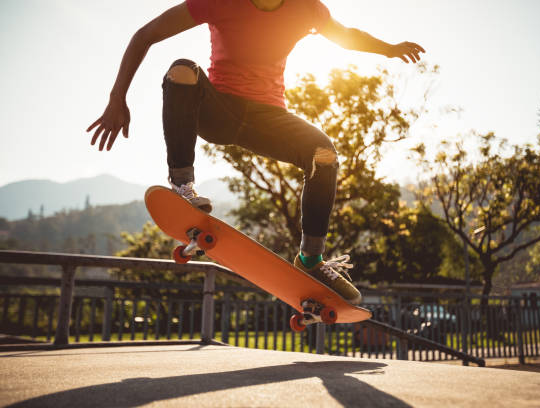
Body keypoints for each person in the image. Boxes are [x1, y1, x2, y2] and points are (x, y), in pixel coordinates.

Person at [87, 0, 425, 305]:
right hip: (220, 111)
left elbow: (345, 35)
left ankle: (311, 259)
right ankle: (182, 187)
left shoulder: (307, 8)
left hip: (269, 119)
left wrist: (389, 49)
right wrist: (117, 98)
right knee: (182, 70)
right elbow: (145, 34)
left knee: (324, 155)